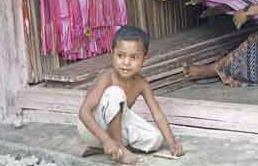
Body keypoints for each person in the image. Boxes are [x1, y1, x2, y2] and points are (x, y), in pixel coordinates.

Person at [78, 26, 183, 165]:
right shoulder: (107, 77)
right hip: (92, 129)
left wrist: (172, 142)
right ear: (112, 53)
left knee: (155, 139)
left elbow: (157, 114)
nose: (126, 62)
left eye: (133, 57)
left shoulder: (141, 83)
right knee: (115, 92)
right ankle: (119, 150)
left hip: (113, 132)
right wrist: (106, 140)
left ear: (144, 58)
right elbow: (83, 113)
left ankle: (107, 148)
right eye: (120, 55)